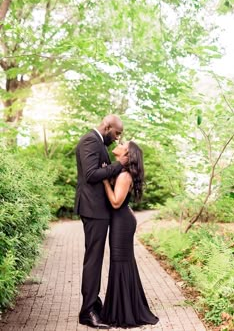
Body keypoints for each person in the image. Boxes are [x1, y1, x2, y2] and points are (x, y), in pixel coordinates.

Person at [74, 115, 128, 329]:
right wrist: (118, 165)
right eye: (116, 133)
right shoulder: (90, 141)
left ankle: (94, 304)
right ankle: (87, 311)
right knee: (93, 259)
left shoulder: (98, 143)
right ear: (107, 127)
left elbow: (99, 171)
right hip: (93, 209)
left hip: (98, 209)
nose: (117, 139)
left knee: (95, 258)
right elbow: (91, 174)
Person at [101, 141, 159, 328]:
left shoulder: (125, 175)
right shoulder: (121, 172)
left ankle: (124, 311)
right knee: (121, 263)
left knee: (120, 262)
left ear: (127, 153)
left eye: (123, 143)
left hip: (121, 222)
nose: (119, 142)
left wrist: (104, 182)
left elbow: (116, 203)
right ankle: (122, 307)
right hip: (122, 220)